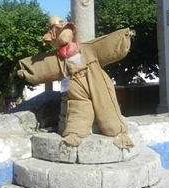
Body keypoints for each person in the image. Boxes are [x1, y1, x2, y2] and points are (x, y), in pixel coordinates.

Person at [18, 16, 134, 149]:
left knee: (106, 105)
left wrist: (123, 36)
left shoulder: (87, 48)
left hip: (96, 81)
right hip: (74, 86)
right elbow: (42, 66)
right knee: (78, 107)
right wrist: (26, 70)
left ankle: (118, 132)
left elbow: (105, 44)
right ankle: (75, 134)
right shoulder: (57, 58)